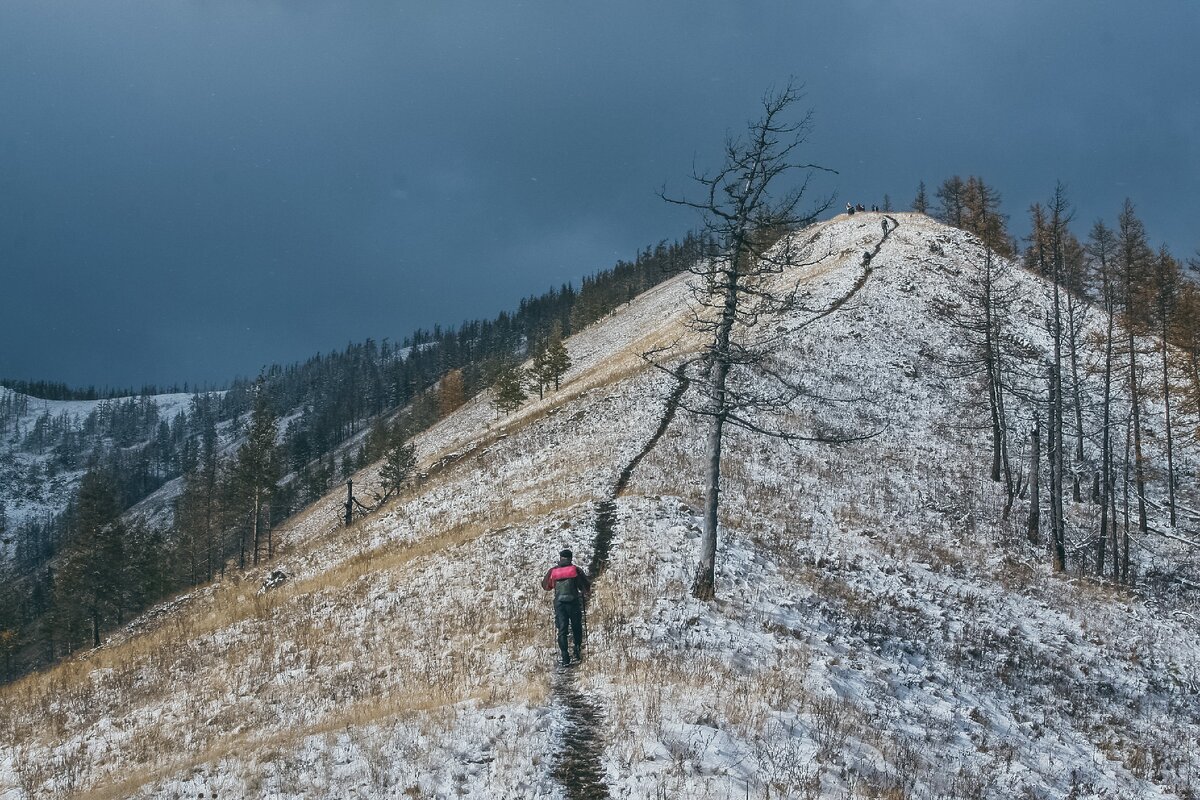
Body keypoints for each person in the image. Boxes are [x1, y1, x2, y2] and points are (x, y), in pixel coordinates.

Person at [541, 548, 591, 666]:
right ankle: (577, 651)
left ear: (560, 558)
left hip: (559, 604)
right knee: (576, 627)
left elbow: (545, 586)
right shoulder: (576, 570)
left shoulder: (553, 571)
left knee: (562, 630)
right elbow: (585, 586)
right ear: (570, 558)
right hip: (573, 602)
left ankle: (565, 657)